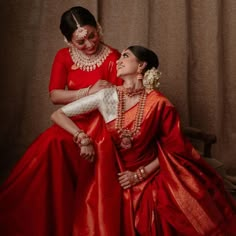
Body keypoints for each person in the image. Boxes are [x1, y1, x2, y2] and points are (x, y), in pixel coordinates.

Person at [51, 45, 236, 235]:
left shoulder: (159, 103)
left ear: (141, 66)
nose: (117, 60)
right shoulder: (106, 96)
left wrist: (139, 175)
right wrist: (82, 137)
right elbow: (58, 114)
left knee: (162, 204)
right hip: (114, 173)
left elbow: (173, 149)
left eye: (125, 56)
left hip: (153, 171)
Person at [0, 6, 123, 236]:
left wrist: (96, 98)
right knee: (50, 144)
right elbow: (55, 95)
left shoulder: (113, 57)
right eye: (81, 42)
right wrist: (89, 91)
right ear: (68, 41)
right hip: (71, 121)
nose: (89, 44)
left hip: (101, 124)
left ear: (98, 28)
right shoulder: (63, 56)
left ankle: (78, 222)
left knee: (76, 149)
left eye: (92, 35)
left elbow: (115, 102)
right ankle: (46, 219)